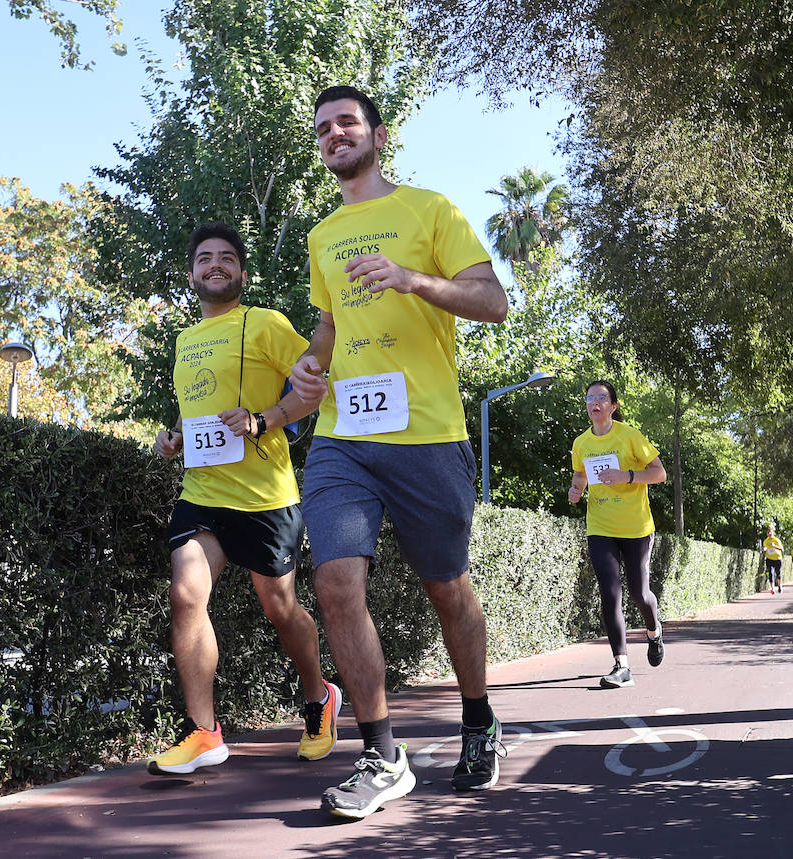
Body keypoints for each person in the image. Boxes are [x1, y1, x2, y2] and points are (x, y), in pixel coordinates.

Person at [288, 85, 509, 819]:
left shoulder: (430, 210)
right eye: (322, 128)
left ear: (378, 134)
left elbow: (493, 299)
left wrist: (412, 278)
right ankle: (382, 754)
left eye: (346, 122)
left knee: (448, 590)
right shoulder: (321, 236)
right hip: (345, 438)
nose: (334, 134)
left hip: (427, 433)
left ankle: (479, 716)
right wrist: (309, 364)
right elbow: (328, 328)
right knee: (335, 581)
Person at [148, 222, 338, 776]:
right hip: (202, 492)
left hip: (263, 496)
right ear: (191, 274)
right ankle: (204, 733)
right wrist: (172, 435)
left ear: (241, 273)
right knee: (185, 595)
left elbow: (314, 385)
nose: (214, 265)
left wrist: (263, 420)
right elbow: (194, 406)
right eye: (204, 258)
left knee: (280, 609)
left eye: (226, 258)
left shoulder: (266, 324)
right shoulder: (184, 341)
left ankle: (318, 695)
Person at [567, 380, 669, 689]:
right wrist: (576, 489)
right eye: (589, 398)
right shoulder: (581, 443)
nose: (594, 402)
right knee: (610, 592)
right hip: (601, 526)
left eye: (601, 397)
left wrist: (627, 475)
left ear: (613, 405)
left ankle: (654, 632)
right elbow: (580, 474)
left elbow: (660, 473)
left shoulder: (630, 436)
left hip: (636, 528)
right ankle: (621, 665)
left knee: (640, 594)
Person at [762, 525, 784, 594]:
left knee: (778, 573)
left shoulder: (776, 540)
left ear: (773, 533)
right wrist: (764, 549)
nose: (769, 533)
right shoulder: (766, 541)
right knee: (771, 573)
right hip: (769, 559)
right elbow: (765, 547)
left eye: (770, 532)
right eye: (768, 532)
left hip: (777, 559)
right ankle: (773, 588)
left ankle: (780, 585)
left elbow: (782, 549)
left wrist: (775, 546)